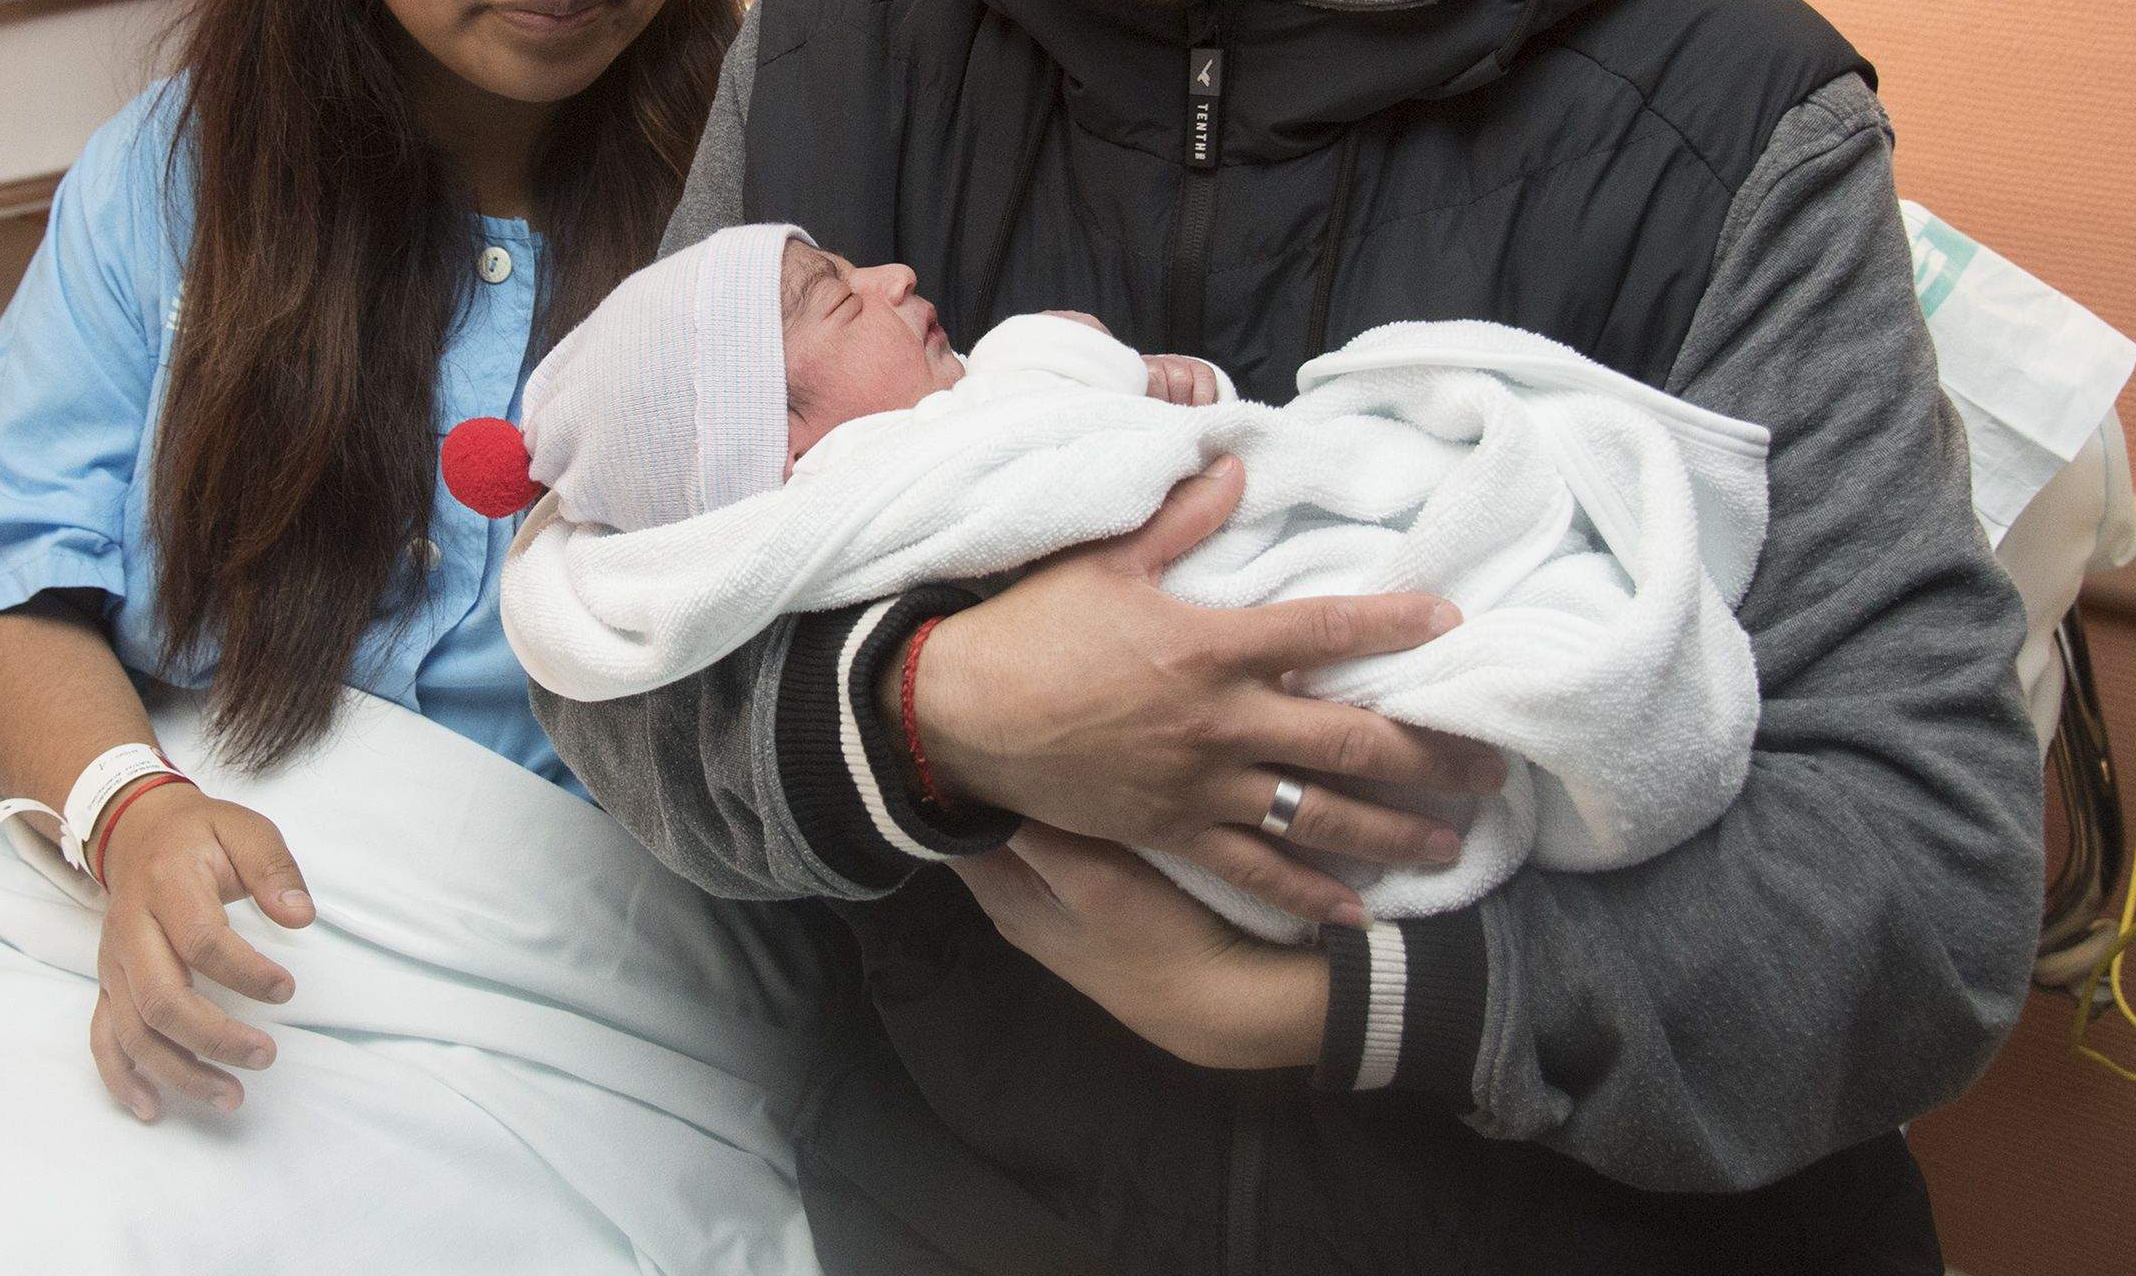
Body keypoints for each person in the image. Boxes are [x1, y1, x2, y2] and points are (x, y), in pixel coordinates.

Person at [535, 0, 2042, 1276]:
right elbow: (609, 655)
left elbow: (1925, 893)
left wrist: (1364, 991)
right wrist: (934, 711)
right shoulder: (845, 39)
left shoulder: (1733, 128)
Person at [0, 0, 741, 1126]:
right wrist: (128, 809)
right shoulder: (176, 181)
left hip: (559, 987)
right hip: (162, 882)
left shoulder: (764, 215)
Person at [492, 223, 1774, 940]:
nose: (893, 275)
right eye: (836, 297)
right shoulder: (869, 486)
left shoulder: (925, 431)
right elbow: (1064, 479)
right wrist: (936, 701)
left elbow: (1124, 443)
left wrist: (1145, 390)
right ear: (771, 447)